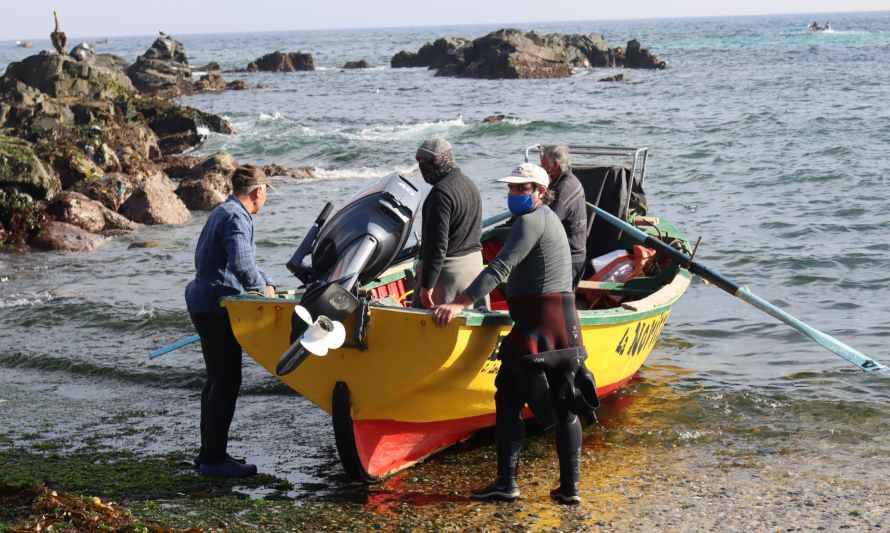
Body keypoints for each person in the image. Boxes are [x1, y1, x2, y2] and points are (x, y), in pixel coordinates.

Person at [434, 163, 597, 505]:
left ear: (540, 192)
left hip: (538, 324)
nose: (513, 195)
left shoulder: (530, 221)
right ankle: (571, 490)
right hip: (564, 324)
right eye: (511, 189)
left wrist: (462, 302)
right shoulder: (549, 220)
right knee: (566, 403)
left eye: (521, 189)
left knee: (508, 399)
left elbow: (500, 266)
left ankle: (507, 484)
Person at [184, 165, 275, 478]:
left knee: (216, 381)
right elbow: (241, 263)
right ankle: (213, 460)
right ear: (257, 191)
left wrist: (266, 280)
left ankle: (209, 453)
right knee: (226, 381)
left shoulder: (226, 210)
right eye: (266, 194)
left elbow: (244, 260)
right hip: (215, 305)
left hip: (203, 299)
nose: (265, 200)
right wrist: (262, 291)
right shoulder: (237, 216)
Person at [412, 138, 485, 309]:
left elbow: (437, 246)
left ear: (433, 164)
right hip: (474, 268)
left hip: (449, 275)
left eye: (422, 163)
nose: (420, 169)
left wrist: (427, 287)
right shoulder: (469, 184)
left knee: (433, 331)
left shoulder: (440, 194)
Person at [540, 145, 588, 288]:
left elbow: (548, 221)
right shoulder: (558, 182)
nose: (541, 169)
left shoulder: (565, 187)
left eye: (543, 165)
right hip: (564, 252)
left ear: (555, 165)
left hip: (571, 257)